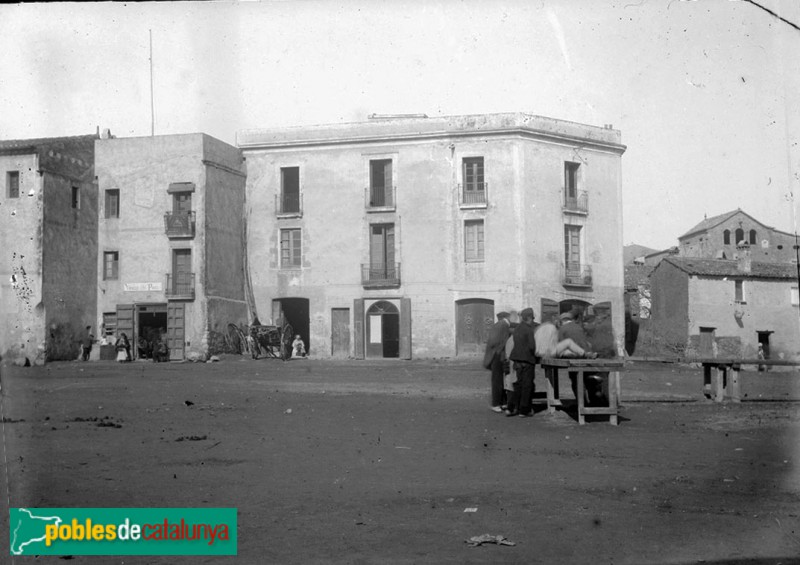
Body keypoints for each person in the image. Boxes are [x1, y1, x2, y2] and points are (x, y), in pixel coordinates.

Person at [558, 311, 605, 406]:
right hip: (587, 355)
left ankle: (581, 403)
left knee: (576, 380)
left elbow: (561, 344)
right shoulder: (579, 327)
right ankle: (594, 402)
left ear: (562, 321)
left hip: (574, 357)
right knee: (588, 379)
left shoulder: (562, 329)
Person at [506, 307, 538, 418]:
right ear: (529, 318)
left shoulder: (517, 328)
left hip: (517, 360)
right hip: (527, 360)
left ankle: (513, 407)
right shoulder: (529, 330)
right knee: (527, 385)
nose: (532, 321)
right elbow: (532, 346)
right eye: (532, 318)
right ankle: (524, 410)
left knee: (518, 384)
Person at [483, 311, 513, 413]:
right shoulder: (503, 325)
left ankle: (502, 402)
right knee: (498, 380)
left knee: (499, 379)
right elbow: (495, 341)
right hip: (498, 355)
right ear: (507, 317)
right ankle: (496, 403)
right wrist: (500, 350)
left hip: (498, 355)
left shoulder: (499, 325)